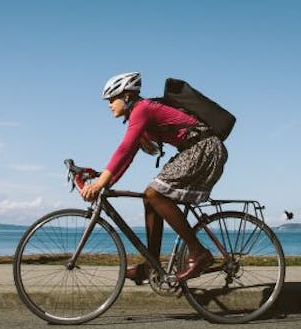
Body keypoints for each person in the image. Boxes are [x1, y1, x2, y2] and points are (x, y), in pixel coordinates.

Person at [79, 72, 227, 283]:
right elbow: (128, 156)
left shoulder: (142, 109)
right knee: (149, 198)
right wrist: (105, 182)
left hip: (204, 148)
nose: (109, 104)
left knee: (154, 193)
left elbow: (124, 149)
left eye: (112, 99)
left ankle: (198, 253)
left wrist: (101, 182)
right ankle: (152, 265)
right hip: (194, 149)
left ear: (127, 96)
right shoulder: (139, 114)